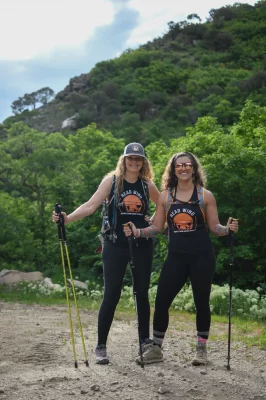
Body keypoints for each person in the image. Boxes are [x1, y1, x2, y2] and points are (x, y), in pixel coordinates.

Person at [124, 151, 239, 366]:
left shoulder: (205, 196)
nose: (183, 168)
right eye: (179, 165)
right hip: (175, 257)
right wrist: (138, 232)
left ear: (194, 169)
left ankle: (201, 349)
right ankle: (157, 349)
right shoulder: (166, 196)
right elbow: (157, 228)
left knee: (201, 302)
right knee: (161, 301)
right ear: (174, 170)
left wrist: (228, 229)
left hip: (202, 257)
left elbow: (215, 227)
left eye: (187, 165)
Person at [53, 142, 160, 365]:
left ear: (143, 162)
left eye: (138, 159)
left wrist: (156, 220)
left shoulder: (147, 185)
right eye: (130, 158)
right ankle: (101, 346)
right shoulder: (111, 182)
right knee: (111, 294)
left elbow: (164, 205)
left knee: (141, 294)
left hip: (141, 243)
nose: (134, 162)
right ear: (123, 160)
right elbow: (90, 206)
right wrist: (67, 218)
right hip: (114, 243)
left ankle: (144, 345)